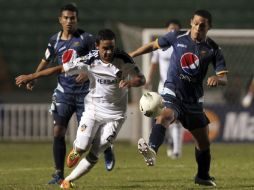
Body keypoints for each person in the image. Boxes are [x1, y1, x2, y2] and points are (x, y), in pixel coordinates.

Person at [16, 29, 146, 189]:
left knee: (95, 152)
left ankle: (67, 181)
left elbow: (141, 79)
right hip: (93, 109)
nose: (109, 52)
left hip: (116, 115)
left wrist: (131, 82)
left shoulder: (124, 59)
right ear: (97, 46)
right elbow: (60, 69)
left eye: (111, 47)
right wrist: (31, 76)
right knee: (83, 146)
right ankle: (77, 149)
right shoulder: (89, 59)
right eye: (105, 48)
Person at [129, 10, 228, 186]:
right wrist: (132, 55)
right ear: (191, 22)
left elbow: (224, 77)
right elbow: (153, 45)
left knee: (203, 143)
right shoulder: (176, 37)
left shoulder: (213, 49)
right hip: (172, 91)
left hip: (194, 101)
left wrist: (217, 79)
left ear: (209, 27)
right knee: (166, 115)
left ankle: (202, 176)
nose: (198, 27)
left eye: (203, 25)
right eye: (196, 23)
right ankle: (151, 149)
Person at [23, 3, 114, 184]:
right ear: (60, 20)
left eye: (72, 18)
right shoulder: (54, 41)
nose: (69, 21)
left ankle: (107, 148)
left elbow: (101, 59)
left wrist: (87, 72)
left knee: (87, 138)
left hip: (85, 95)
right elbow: (46, 60)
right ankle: (58, 173)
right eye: (66, 18)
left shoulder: (87, 38)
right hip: (64, 93)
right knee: (58, 131)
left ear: (77, 19)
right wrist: (34, 77)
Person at [145, 19, 183, 159]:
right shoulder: (160, 44)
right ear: (166, 30)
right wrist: (149, 79)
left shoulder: (181, 45)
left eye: (176, 29)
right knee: (162, 117)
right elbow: (154, 64)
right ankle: (169, 141)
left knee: (176, 118)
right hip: (163, 86)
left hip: (179, 87)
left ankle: (177, 149)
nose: (173, 31)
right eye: (171, 28)